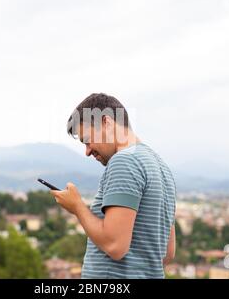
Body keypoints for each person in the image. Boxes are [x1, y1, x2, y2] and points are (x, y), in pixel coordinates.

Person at [50, 93, 176, 279]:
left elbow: (115, 246)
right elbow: (167, 253)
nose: (87, 151)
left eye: (87, 140)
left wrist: (77, 207)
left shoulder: (124, 161)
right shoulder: (161, 168)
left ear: (107, 123)